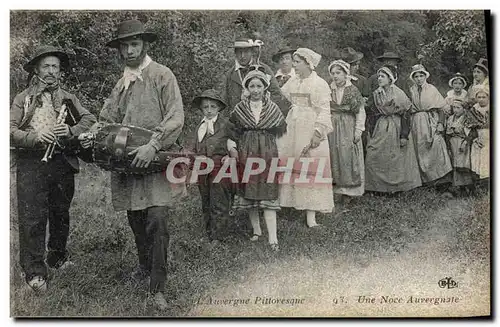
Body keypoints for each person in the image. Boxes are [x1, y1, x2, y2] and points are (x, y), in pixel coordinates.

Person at [82, 19, 186, 310]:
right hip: (126, 163)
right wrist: (95, 135)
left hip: (155, 161)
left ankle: (157, 286)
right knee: (137, 220)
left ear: (144, 45)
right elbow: (107, 117)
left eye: (134, 44)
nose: (129, 50)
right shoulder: (122, 82)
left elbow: (176, 116)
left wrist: (153, 145)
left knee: (157, 220)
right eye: (124, 45)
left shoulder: (162, 75)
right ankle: (145, 267)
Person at [10, 45, 96, 292]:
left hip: (61, 162)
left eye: (55, 67)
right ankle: (35, 271)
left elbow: (89, 119)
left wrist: (70, 131)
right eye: (45, 66)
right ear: (36, 69)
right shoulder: (22, 98)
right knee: (32, 217)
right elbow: (9, 130)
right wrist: (36, 137)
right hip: (31, 163)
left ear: (60, 72)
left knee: (61, 213)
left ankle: (57, 257)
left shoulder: (68, 97)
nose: (50, 71)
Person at [226, 68, 287, 251]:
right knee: (249, 190)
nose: (255, 90)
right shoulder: (240, 108)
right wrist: (232, 148)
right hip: (246, 152)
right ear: (246, 88)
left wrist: (280, 156)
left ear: (265, 88)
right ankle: (257, 230)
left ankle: (273, 238)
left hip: (268, 153)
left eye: (259, 86)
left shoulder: (272, 108)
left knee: (268, 191)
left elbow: (280, 134)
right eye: (251, 86)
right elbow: (231, 132)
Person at [279, 48, 334, 227]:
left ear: (308, 63)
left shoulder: (319, 83)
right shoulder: (293, 81)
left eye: (297, 62)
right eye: (293, 62)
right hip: (294, 125)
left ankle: (311, 214)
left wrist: (318, 132)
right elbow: (282, 95)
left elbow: (325, 110)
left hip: (310, 125)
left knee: (311, 165)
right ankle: (293, 204)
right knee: (293, 163)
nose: (293, 65)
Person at [364, 66, 421, 193]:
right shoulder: (377, 93)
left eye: (382, 76)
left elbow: (406, 114)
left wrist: (404, 135)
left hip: (396, 125)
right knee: (374, 153)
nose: (379, 79)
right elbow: (371, 110)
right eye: (378, 76)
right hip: (381, 125)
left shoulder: (398, 93)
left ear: (390, 79)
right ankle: (376, 186)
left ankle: (396, 188)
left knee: (395, 157)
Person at [192, 89, 233, 245]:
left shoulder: (226, 124)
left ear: (219, 108)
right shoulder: (200, 127)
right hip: (203, 167)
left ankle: (219, 237)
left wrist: (230, 156)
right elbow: (193, 147)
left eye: (213, 107)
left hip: (219, 167)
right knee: (206, 200)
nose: (209, 110)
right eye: (205, 107)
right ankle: (209, 232)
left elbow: (236, 142)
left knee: (219, 200)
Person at [218, 37, 291, 116]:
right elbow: (225, 101)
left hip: (260, 118)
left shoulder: (264, 69)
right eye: (239, 52)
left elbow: (277, 95)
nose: (242, 56)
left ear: (252, 52)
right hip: (237, 120)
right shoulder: (230, 74)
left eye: (246, 52)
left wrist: (261, 105)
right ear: (235, 53)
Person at [327, 59, 366, 205]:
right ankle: (334, 191)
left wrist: (358, 130)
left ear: (345, 74)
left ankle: (348, 193)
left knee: (347, 156)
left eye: (338, 73)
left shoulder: (352, 90)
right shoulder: (329, 89)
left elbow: (360, 112)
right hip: (332, 125)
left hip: (348, 125)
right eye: (333, 73)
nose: (335, 76)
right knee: (333, 156)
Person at [408, 64, 452, 187]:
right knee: (419, 149)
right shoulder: (411, 90)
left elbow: (441, 108)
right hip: (416, 121)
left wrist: (440, 124)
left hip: (431, 120)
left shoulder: (432, 89)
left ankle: (441, 179)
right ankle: (424, 180)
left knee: (436, 145)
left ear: (425, 76)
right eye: (416, 76)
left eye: (421, 75)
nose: (419, 79)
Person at [445, 99, 475, 195]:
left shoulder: (466, 118)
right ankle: (460, 188)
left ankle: (470, 187)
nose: (456, 110)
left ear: (463, 108)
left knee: (464, 165)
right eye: (454, 107)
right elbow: (448, 133)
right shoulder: (450, 118)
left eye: (458, 108)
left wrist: (465, 143)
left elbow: (470, 134)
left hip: (463, 143)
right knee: (455, 166)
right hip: (453, 143)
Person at [467, 87, 490, 182]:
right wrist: (475, 138)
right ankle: (480, 183)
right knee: (478, 160)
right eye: (479, 97)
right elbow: (469, 126)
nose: (481, 99)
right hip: (478, 136)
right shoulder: (473, 110)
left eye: (483, 97)